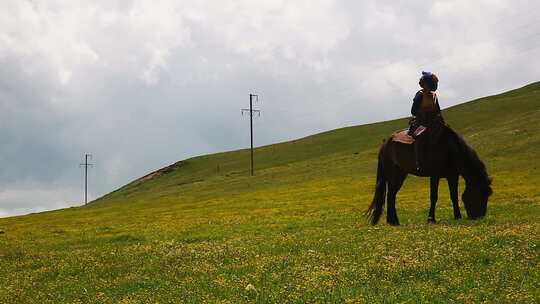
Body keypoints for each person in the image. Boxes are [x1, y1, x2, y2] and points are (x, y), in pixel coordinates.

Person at [408, 71, 443, 172]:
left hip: (434, 122)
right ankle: (419, 163)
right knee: (421, 138)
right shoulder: (419, 95)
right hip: (421, 122)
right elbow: (413, 111)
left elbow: (438, 110)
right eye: (431, 84)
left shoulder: (434, 96)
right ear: (425, 84)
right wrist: (425, 113)